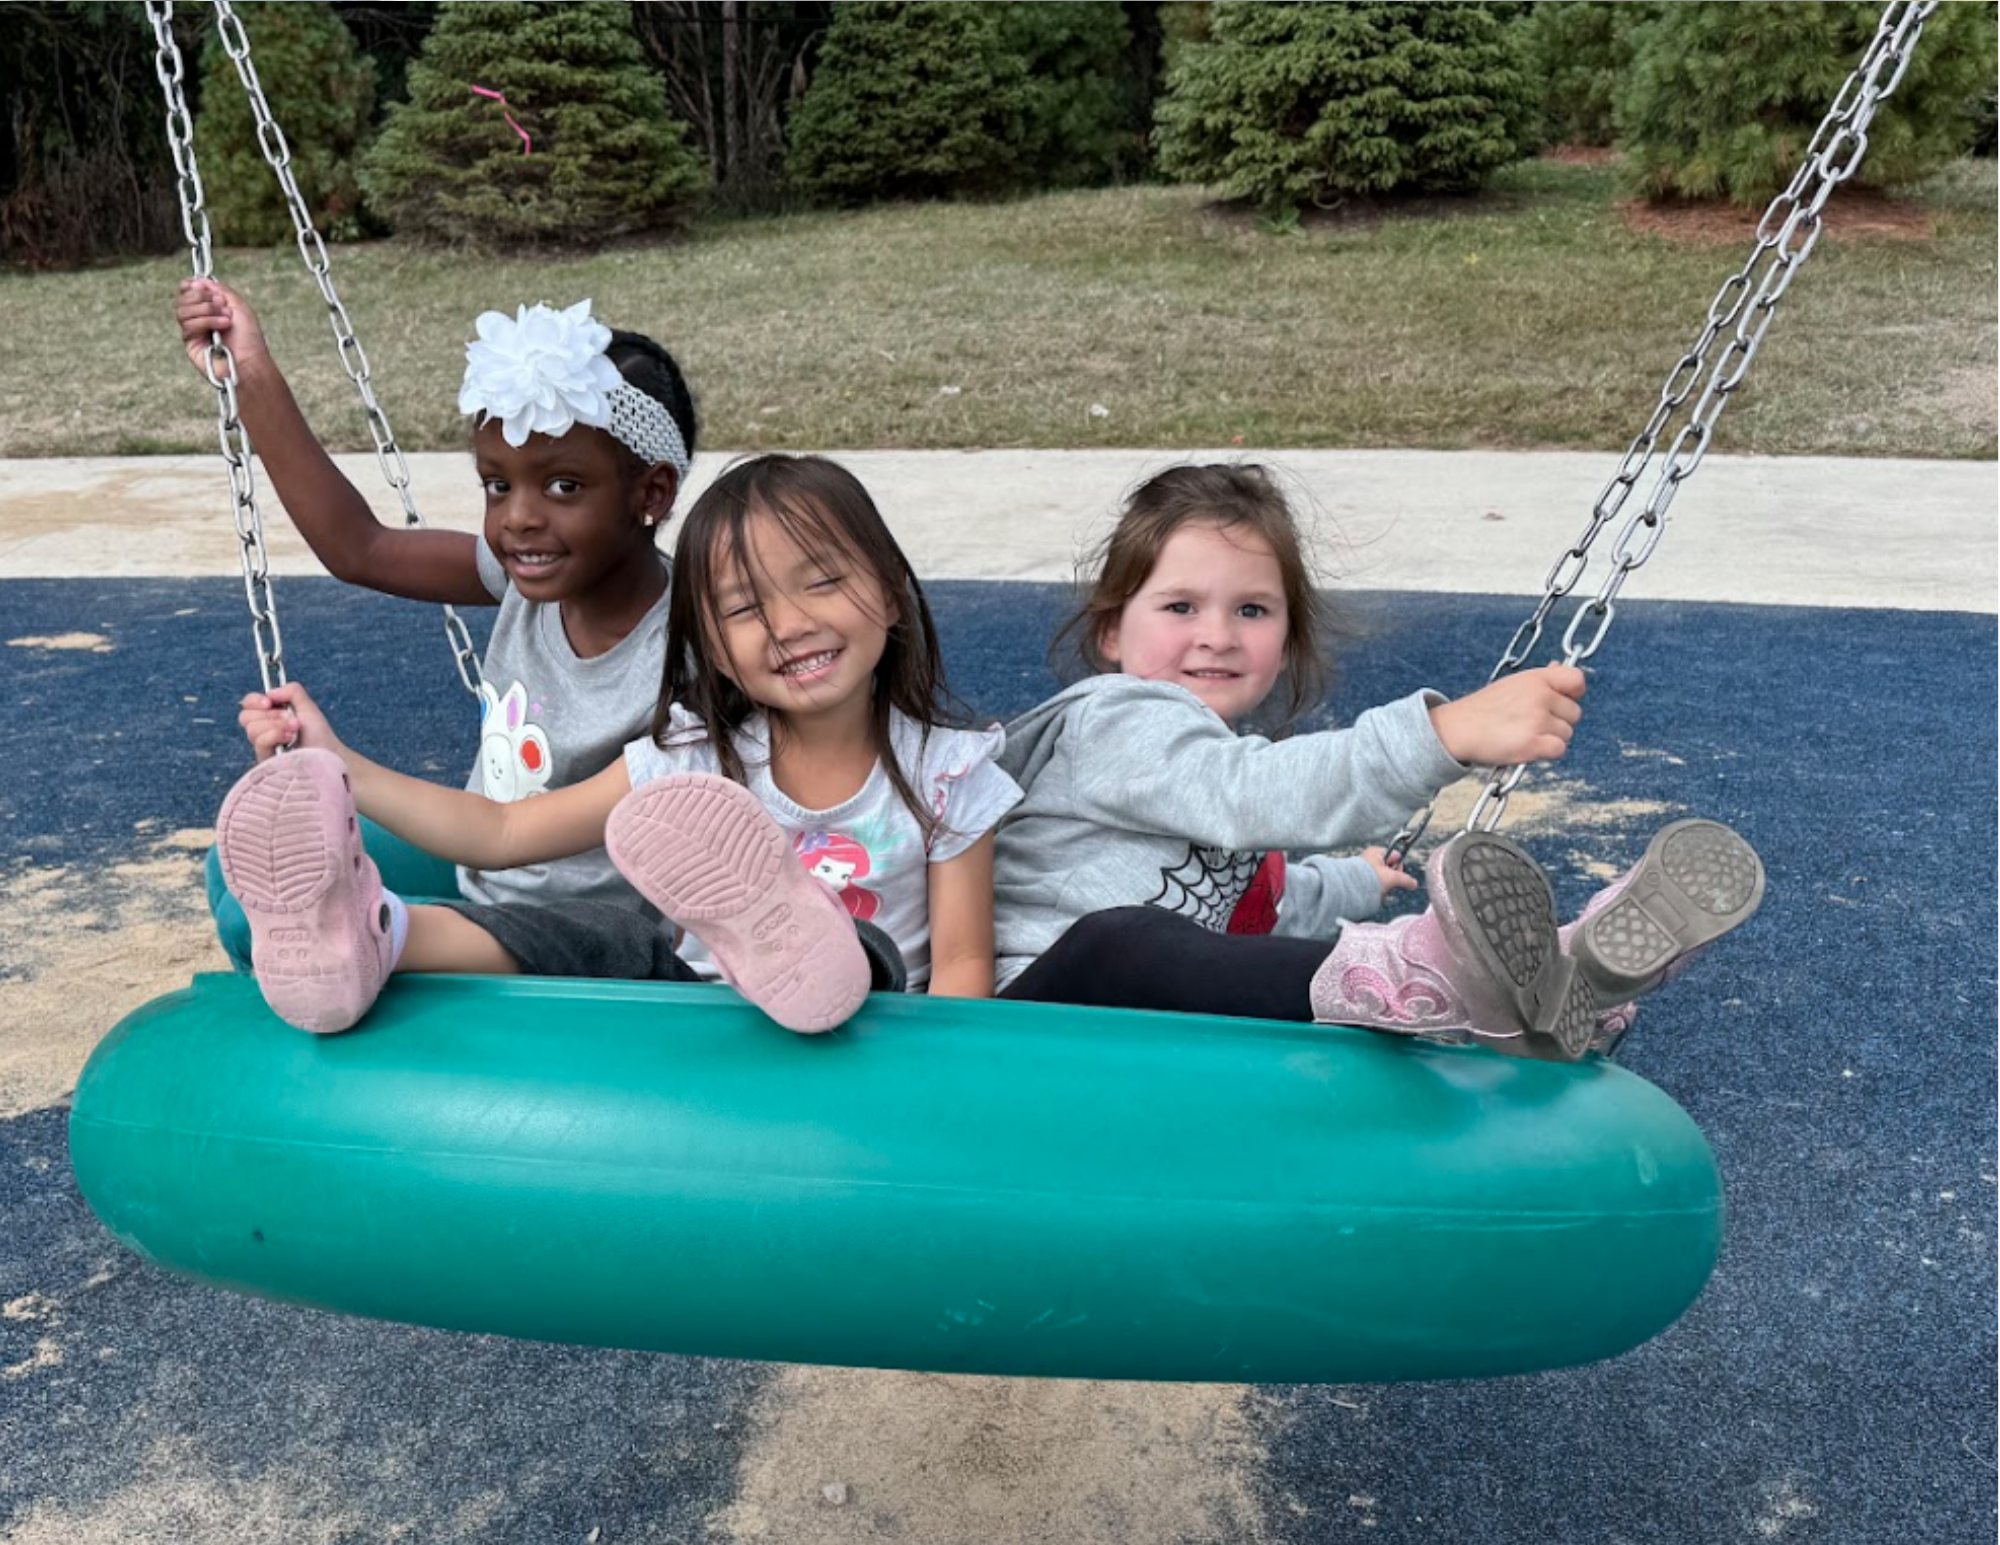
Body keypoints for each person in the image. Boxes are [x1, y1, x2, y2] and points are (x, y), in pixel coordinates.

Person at [217, 454, 1021, 1037]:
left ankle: (809, 953)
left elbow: (959, 966)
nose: (789, 624)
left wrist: (934, 1086)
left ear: (891, 591)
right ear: (711, 644)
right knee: (603, 933)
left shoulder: (946, 772)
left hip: (871, 1025)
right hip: (700, 1010)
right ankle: (374, 932)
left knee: (861, 949)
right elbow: (504, 831)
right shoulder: (692, 758)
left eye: (822, 582)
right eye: (745, 609)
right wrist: (342, 765)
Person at [993, 464, 1763, 1061]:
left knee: (1267, 977)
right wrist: (1443, 734)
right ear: (1110, 631)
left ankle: (1547, 983)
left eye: (1252, 609)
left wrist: (1357, 881)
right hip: (1025, 1026)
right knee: (1121, 941)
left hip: (1137, 1037)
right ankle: (1456, 979)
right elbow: (1247, 791)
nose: (1218, 634)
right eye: (1180, 606)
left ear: (1286, 638)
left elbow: (1259, 903)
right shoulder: (1113, 720)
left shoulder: (1204, 767)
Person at [175, 284, 698, 968]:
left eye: (563, 486)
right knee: (237, 868)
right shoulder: (527, 579)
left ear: (651, 492)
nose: (519, 518)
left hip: (578, 930)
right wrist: (250, 374)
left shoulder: (692, 643)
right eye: (498, 485)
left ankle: (375, 1006)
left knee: (264, 920)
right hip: (481, 863)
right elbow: (360, 547)